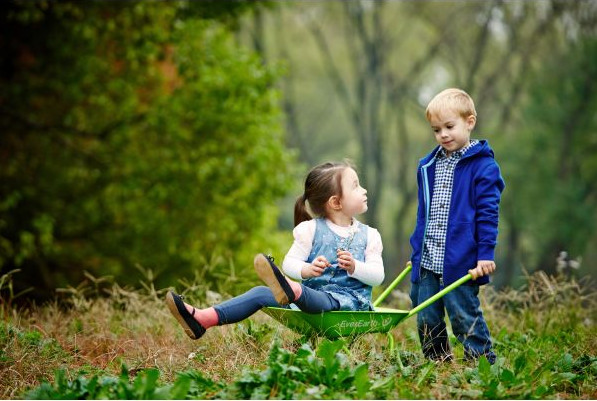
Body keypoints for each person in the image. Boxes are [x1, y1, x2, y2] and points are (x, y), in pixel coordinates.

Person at [166, 161, 385, 340]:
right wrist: (307, 269)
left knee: (319, 297)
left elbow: (377, 276)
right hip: (310, 303)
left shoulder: (370, 235)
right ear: (336, 202)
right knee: (260, 293)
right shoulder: (309, 230)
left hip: (347, 306)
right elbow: (290, 263)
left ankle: (293, 290)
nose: (363, 190)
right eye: (355, 186)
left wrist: (356, 267)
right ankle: (203, 319)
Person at [409, 88, 505, 364]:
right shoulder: (428, 165)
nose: (443, 135)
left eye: (449, 127)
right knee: (425, 315)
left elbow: (488, 214)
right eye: (436, 130)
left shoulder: (483, 167)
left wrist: (485, 254)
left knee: (463, 314)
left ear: (470, 122)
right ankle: (438, 363)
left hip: (461, 259)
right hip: (428, 258)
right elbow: (423, 214)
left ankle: (482, 365)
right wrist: (417, 249)